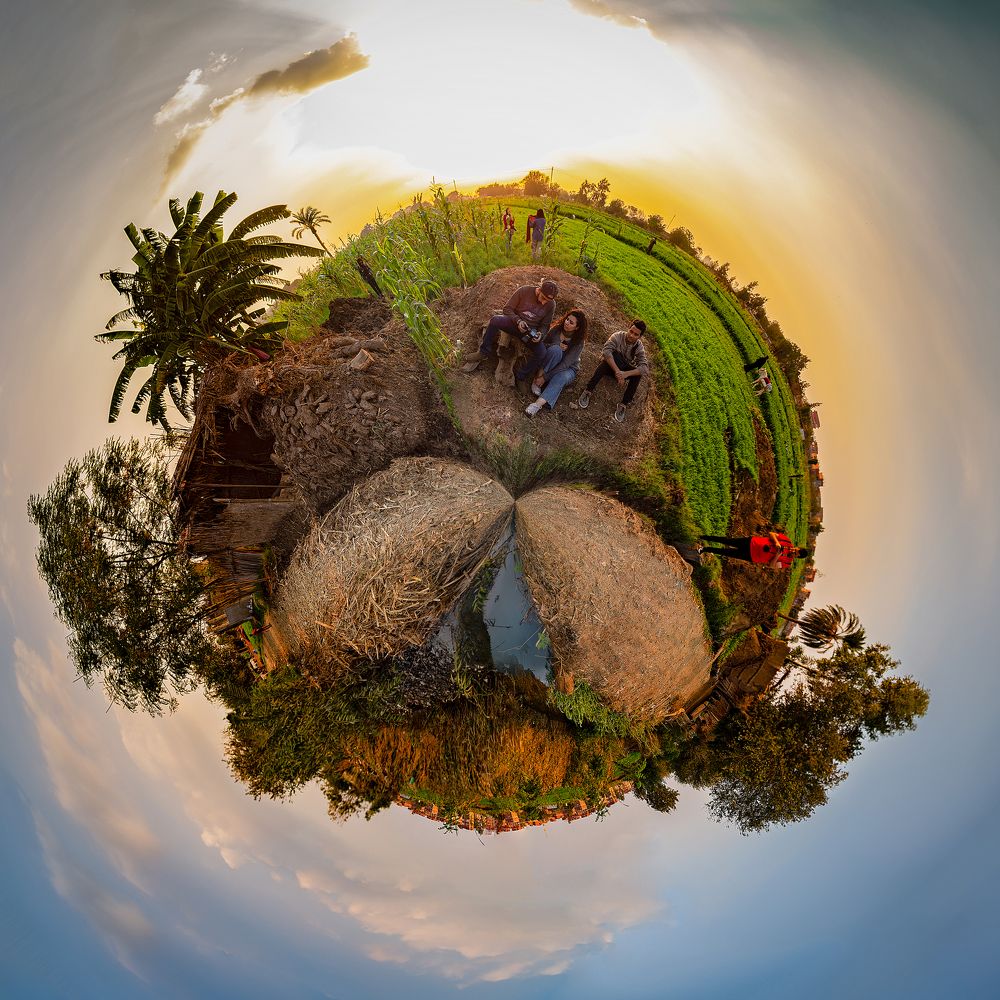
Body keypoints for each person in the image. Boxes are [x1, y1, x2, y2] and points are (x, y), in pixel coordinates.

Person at [461, 279, 558, 372]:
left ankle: (521, 375)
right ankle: (484, 352)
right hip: (514, 323)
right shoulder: (524, 291)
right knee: (495, 320)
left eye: (547, 301)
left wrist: (540, 334)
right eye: (543, 298)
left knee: (542, 353)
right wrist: (518, 321)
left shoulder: (551, 304)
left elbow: (545, 325)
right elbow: (507, 309)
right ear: (539, 290)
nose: (544, 302)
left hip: (529, 332)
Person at [577, 320, 649, 422]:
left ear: (640, 337)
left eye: (636, 334)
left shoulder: (639, 346)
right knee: (609, 358)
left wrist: (625, 374)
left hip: (623, 370)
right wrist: (618, 372)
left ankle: (623, 404)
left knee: (638, 375)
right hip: (611, 367)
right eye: (631, 331)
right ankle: (588, 390)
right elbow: (606, 351)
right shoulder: (618, 336)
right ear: (628, 328)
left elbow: (644, 368)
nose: (631, 335)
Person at [524, 309, 588, 416]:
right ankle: (537, 380)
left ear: (577, 327)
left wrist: (545, 378)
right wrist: (556, 345)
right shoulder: (557, 329)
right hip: (551, 360)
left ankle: (536, 405)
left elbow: (565, 364)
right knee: (556, 350)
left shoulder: (579, 342)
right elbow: (542, 345)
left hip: (568, 368)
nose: (567, 323)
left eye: (571, 322)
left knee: (561, 377)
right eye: (567, 319)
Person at [699, 531, 809, 569]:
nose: (793, 551)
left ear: (797, 557)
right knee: (727, 541)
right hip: (752, 542)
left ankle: (704, 549)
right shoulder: (787, 541)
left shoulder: (787, 563)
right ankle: (703, 537)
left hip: (752, 556)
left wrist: (777, 556)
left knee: (726, 552)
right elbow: (771, 534)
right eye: (795, 549)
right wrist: (776, 542)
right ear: (797, 547)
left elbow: (771, 566)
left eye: (795, 553)